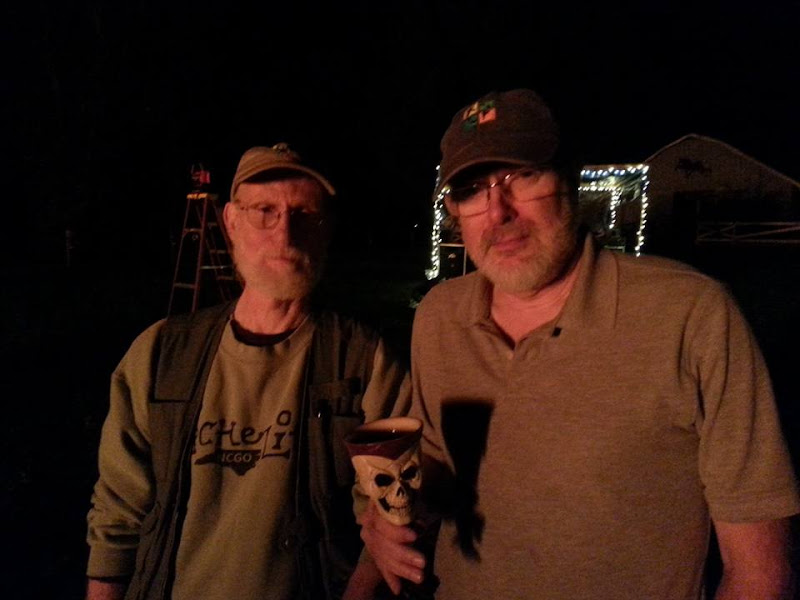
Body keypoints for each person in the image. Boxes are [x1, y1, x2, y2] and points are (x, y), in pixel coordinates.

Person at [355, 89, 800, 599]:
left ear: (570, 178)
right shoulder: (439, 316)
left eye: (524, 175)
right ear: (455, 210)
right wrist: (393, 520)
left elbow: (761, 573)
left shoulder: (692, 317)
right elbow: (437, 459)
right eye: (472, 190)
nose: (498, 211)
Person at [85, 143, 410, 600]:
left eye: (304, 215)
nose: (285, 234)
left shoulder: (364, 362)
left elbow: (386, 519)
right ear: (231, 222)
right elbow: (118, 512)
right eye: (264, 212)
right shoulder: (160, 353)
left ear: (327, 230)